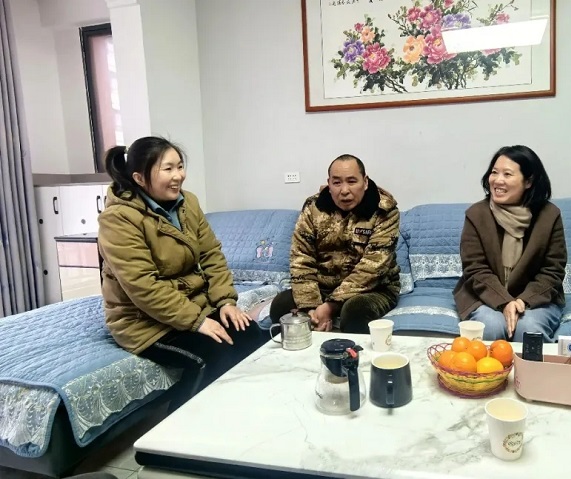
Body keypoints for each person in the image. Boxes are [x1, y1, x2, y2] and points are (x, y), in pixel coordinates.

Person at [97, 136, 265, 406]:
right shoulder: (118, 220)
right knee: (213, 356)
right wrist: (198, 322)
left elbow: (211, 254)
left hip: (190, 307)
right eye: (168, 169)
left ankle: (243, 410)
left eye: (180, 166)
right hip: (145, 322)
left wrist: (225, 302)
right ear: (139, 179)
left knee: (250, 336)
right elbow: (143, 286)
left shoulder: (188, 203)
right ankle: (174, 431)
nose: (179, 176)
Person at [269, 154, 400, 333]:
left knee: (355, 312)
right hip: (323, 287)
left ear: (365, 182)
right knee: (281, 307)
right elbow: (301, 258)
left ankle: (348, 351)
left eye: (352, 181)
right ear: (329, 184)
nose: (344, 190)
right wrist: (311, 308)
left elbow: (373, 268)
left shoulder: (384, 211)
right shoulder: (313, 208)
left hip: (373, 289)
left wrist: (331, 306)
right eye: (337, 182)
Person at [453, 145, 567, 342]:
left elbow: (552, 270)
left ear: (528, 181)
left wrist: (523, 301)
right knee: (491, 327)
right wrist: (504, 301)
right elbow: (475, 269)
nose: (498, 180)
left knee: (528, 330)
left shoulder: (549, 216)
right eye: (494, 172)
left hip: (534, 299)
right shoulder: (476, 214)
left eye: (507, 174)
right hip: (484, 296)